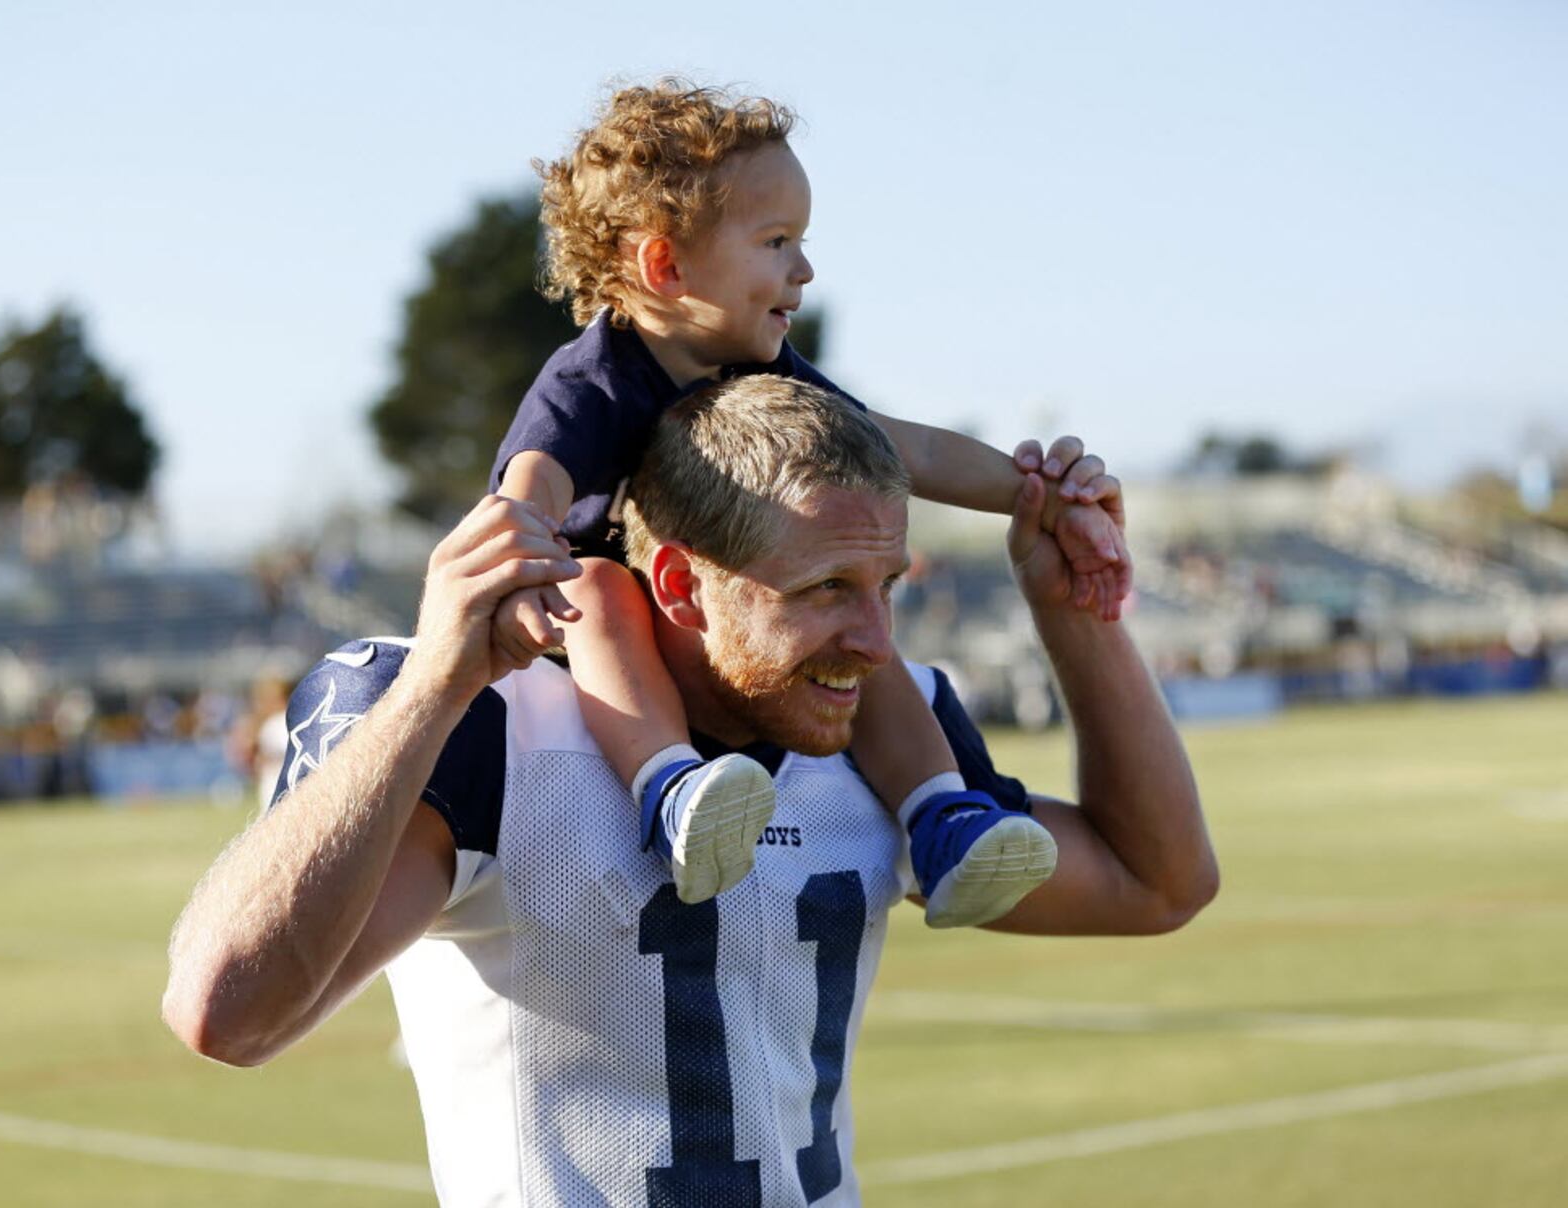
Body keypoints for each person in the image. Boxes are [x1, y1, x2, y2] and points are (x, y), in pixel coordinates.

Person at [163, 375, 1217, 1208]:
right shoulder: (490, 722)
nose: (876, 641)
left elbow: (1154, 881)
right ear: (677, 583)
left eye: (887, 584)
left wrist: (1076, 608)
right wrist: (433, 687)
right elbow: (227, 1010)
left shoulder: (881, 728)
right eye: (825, 591)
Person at [493, 80, 1131, 925]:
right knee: (600, 590)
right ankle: (672, 791)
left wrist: (1040, 494)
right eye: (776, 241)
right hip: (612, 632)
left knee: (864, 642)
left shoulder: (774, 378)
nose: (804, 268)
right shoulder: (591, 381)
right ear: (666, 265)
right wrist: (521, 552)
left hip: (734, 632)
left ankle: (943, 818)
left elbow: (914, 451)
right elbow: (531, 484)